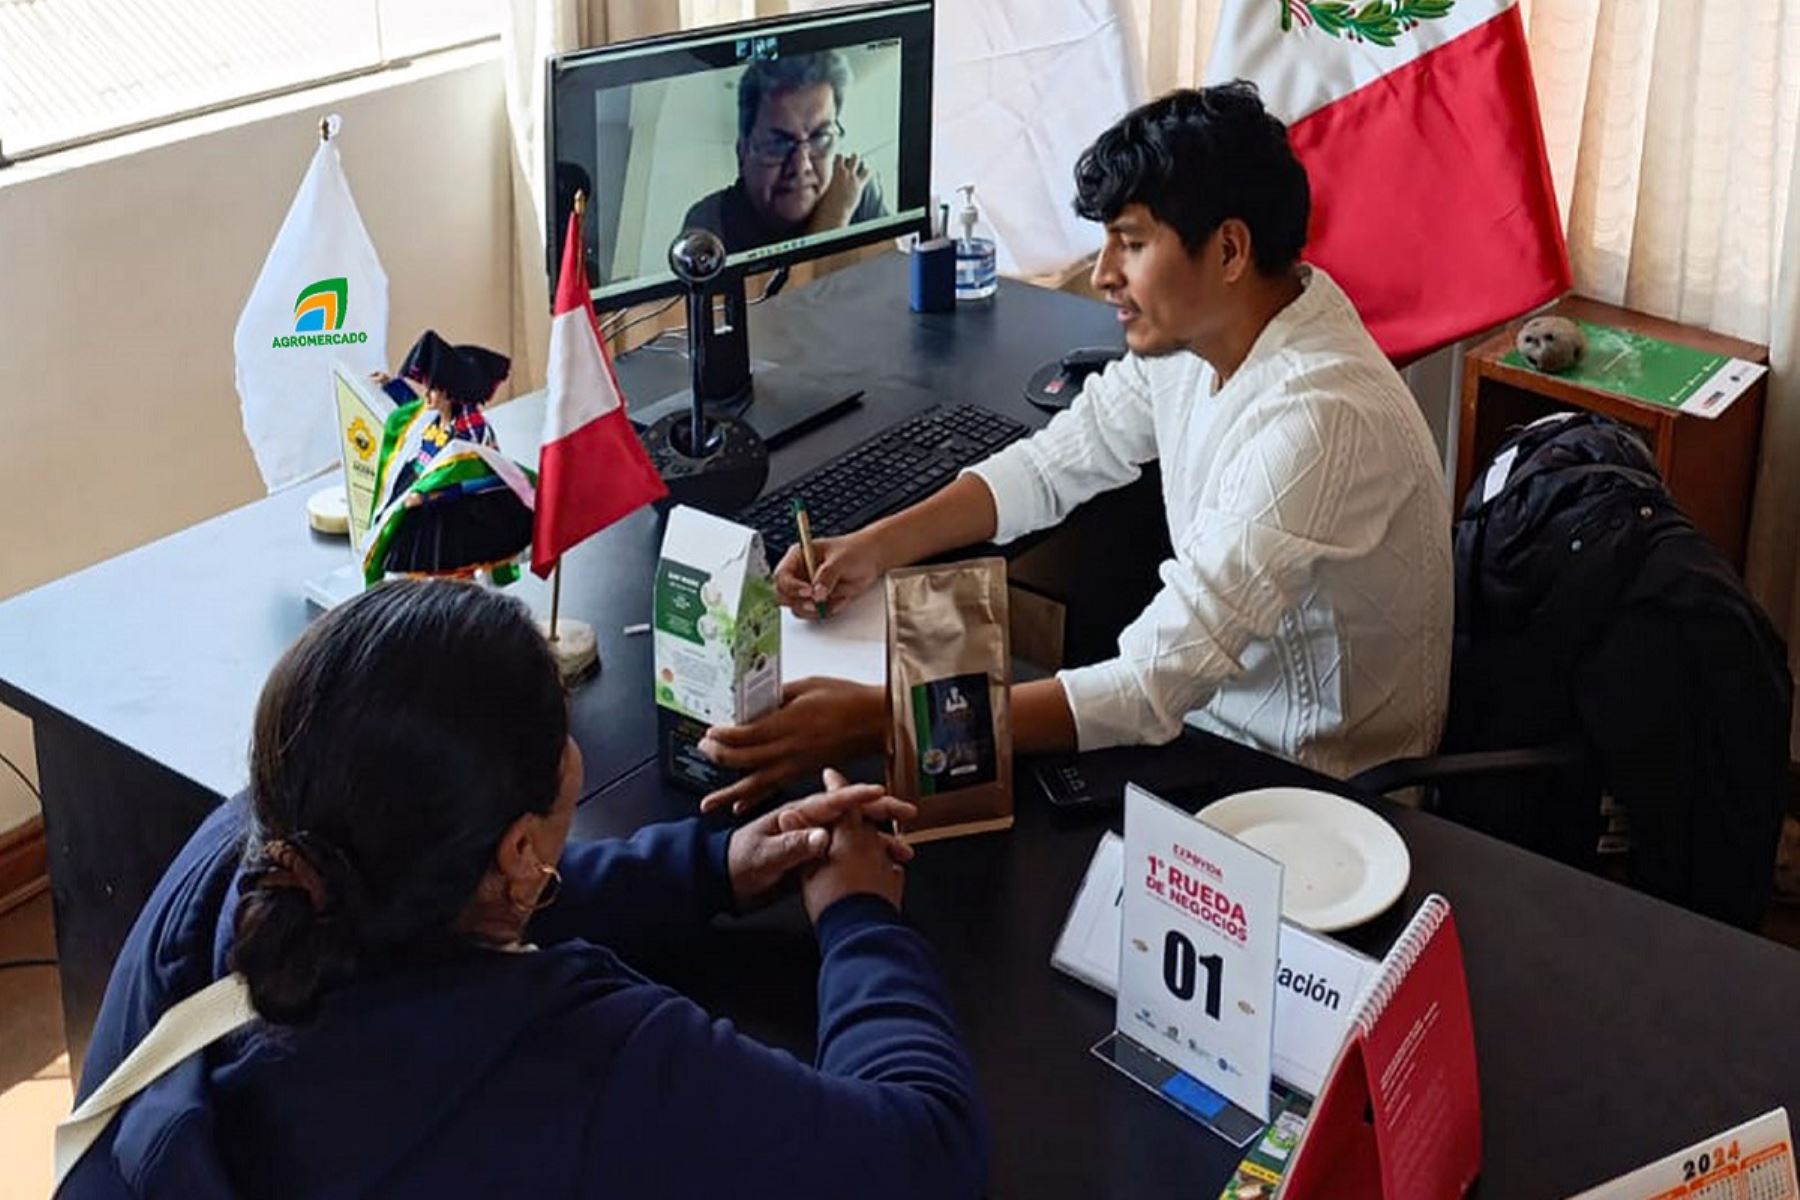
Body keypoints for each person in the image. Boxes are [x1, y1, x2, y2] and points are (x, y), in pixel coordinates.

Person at [68, 580, 987, 1198]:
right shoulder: (584, 1059)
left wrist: (708, 867)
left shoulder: (259, 846)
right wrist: (862, 918)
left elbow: (424, 901)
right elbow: (924, 1151)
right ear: (516, 852)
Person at [696, 83, 1454, 814]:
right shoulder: (1214, 328)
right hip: (1210, 722)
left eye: (1131, 243)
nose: (1102, 276)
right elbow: (1058, 459)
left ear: (1228, 250)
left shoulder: (1317, 419)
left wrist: (879, 717)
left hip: (1306, 787)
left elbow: (1151, 686)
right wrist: (871, 546)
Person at [363, 330, 535, 586]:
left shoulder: (472, 432)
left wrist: (433, 496)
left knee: (453, 573)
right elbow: (412, 413)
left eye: (433, 389)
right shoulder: (434, 417)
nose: (427, 395)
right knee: (412, 572)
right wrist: (392, 386)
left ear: (450, 393)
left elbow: (486, 477)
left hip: (449, 511)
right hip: (416, 494)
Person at [681, 51, 888, 254]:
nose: (801, 166)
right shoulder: (711, 220)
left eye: (820, 137)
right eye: (778, 144)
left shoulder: (857, 190)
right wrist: (833, 221)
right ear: (742, 152)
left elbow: (898, 282)